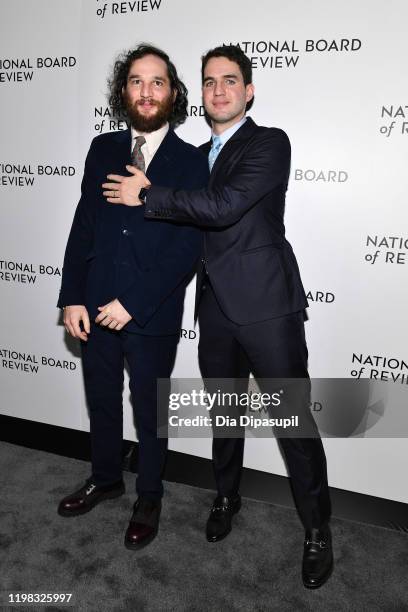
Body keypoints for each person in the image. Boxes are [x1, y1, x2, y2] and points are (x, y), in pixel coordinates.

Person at [102, 45, 333, 588]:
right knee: (225, 417)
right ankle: (226, 497)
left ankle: (317, 529)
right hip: (215, 312)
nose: (220, 90)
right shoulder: (197, 154)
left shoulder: (269, 143)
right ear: (200, 94)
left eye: (230, 81)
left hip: (267, 309)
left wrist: (149, 193)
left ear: (248, 91)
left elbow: (225, 206)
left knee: (293, 424)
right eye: (209, 82)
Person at [57, 44, 208, 551]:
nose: (146, 91)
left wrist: (135, 303)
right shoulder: (102, 148)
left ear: (173, 93)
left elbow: (187, 248)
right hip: (95, 304)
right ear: (124, 91)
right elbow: (85, 224)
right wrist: (72, 295)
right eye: (137, 81)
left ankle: (149, 495)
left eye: (157, 82)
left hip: (151, 311)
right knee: (101, 399)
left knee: (149, 411)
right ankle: (105, 477)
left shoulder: (191, 161)